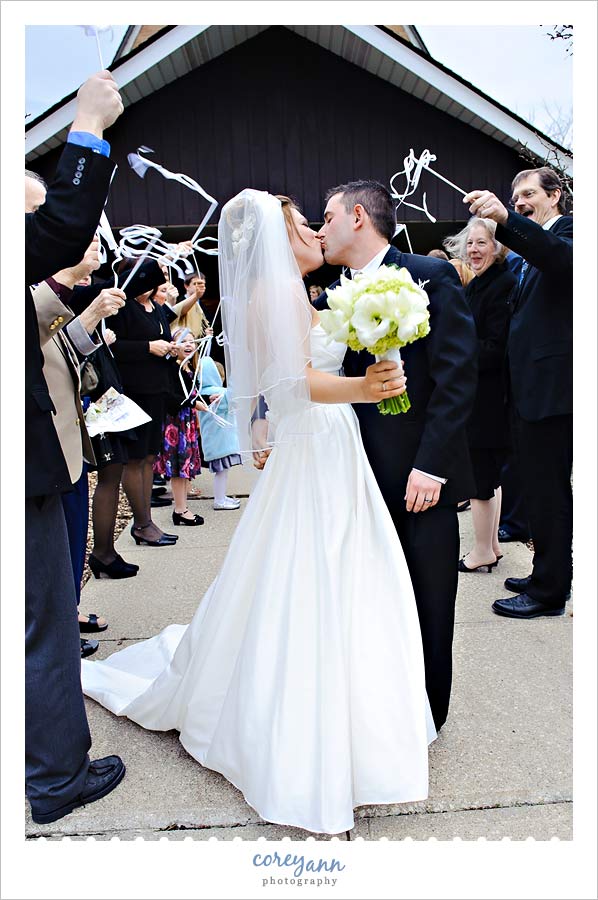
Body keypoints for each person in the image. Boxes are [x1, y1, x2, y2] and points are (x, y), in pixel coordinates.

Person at [82, 189, 435, 836]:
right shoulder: (277, 294)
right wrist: (365, 386)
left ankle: (354, 726)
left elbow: (280, 385)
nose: (314, 233)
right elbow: (292, 380)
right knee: (314, 582)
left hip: (325, 447)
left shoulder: (298, 293)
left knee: (329, 578)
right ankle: (310, 741)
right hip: (320, 445)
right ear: (280, 238)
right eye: (306, 224)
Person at [314, 180, 478, 731]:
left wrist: (433, 464)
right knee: (366, 599)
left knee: (429, 594)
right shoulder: (331, 292)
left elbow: (457, 376)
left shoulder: (428, 277)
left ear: (358, 217)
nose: (321, 227)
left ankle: (428, 715)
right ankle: (376, 710)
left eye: (328, 216)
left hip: (418, 475)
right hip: (349, 471)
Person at [25, 70, 125, 826]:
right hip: (28, 467)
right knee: (43, 624)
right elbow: (57, 232)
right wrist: (88, 123)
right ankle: (56, 778)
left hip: (55, 453)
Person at [464, 166, 572, 619]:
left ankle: (549, 592)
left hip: (553, 392)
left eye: (528, 193)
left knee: (549, 493)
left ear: (556, 195)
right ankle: (546, 573)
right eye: (515, 194)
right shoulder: (530, 248)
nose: (520, 200)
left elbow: (559, 259)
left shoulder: (567, 232)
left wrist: (507, 217)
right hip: (527, 392)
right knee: (537, 490)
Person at [443, 218, 516, 572]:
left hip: (487, 396)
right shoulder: (480, 284)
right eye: (469, 243)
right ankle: (493, 544)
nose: (473, 250)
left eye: (481, 243)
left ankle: (482, 551)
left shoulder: (501, 285)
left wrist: (456, 351)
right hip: (480, 394)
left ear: (497, 246)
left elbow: (495, 347)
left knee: (480, 479)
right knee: (488, 474)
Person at [106, 273, 181, 547]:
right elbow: (114, 346)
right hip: (135, 389)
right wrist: (148, 347)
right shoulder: (123, 309)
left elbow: (163, 337)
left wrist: (173, 349)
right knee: (135, 458)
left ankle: (148, 520)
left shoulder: (158, 308)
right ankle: (141, 524)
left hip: (158, 388)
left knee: (150, 456)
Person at [153, 326, 204, 526]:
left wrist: (206, 398)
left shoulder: (188, 367)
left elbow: (192, 395)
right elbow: (170, 397)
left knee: (185, 469)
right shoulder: (171, 368)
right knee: (177, 468)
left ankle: (182, 508)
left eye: (192, 341)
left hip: (187, 423)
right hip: (176, 424)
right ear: (174, 346)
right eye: (184, 341)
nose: (189, 344)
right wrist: (193, 404)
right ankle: (180, 509)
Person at [196, 358, 242, 510]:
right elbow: (230, 399)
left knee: (223, 472)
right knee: (221, 472)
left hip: (217, 441)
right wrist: (237, 377)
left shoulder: (202, 393)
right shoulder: (213, 392)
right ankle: (219, 500)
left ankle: (222, 496)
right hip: (219, 442)